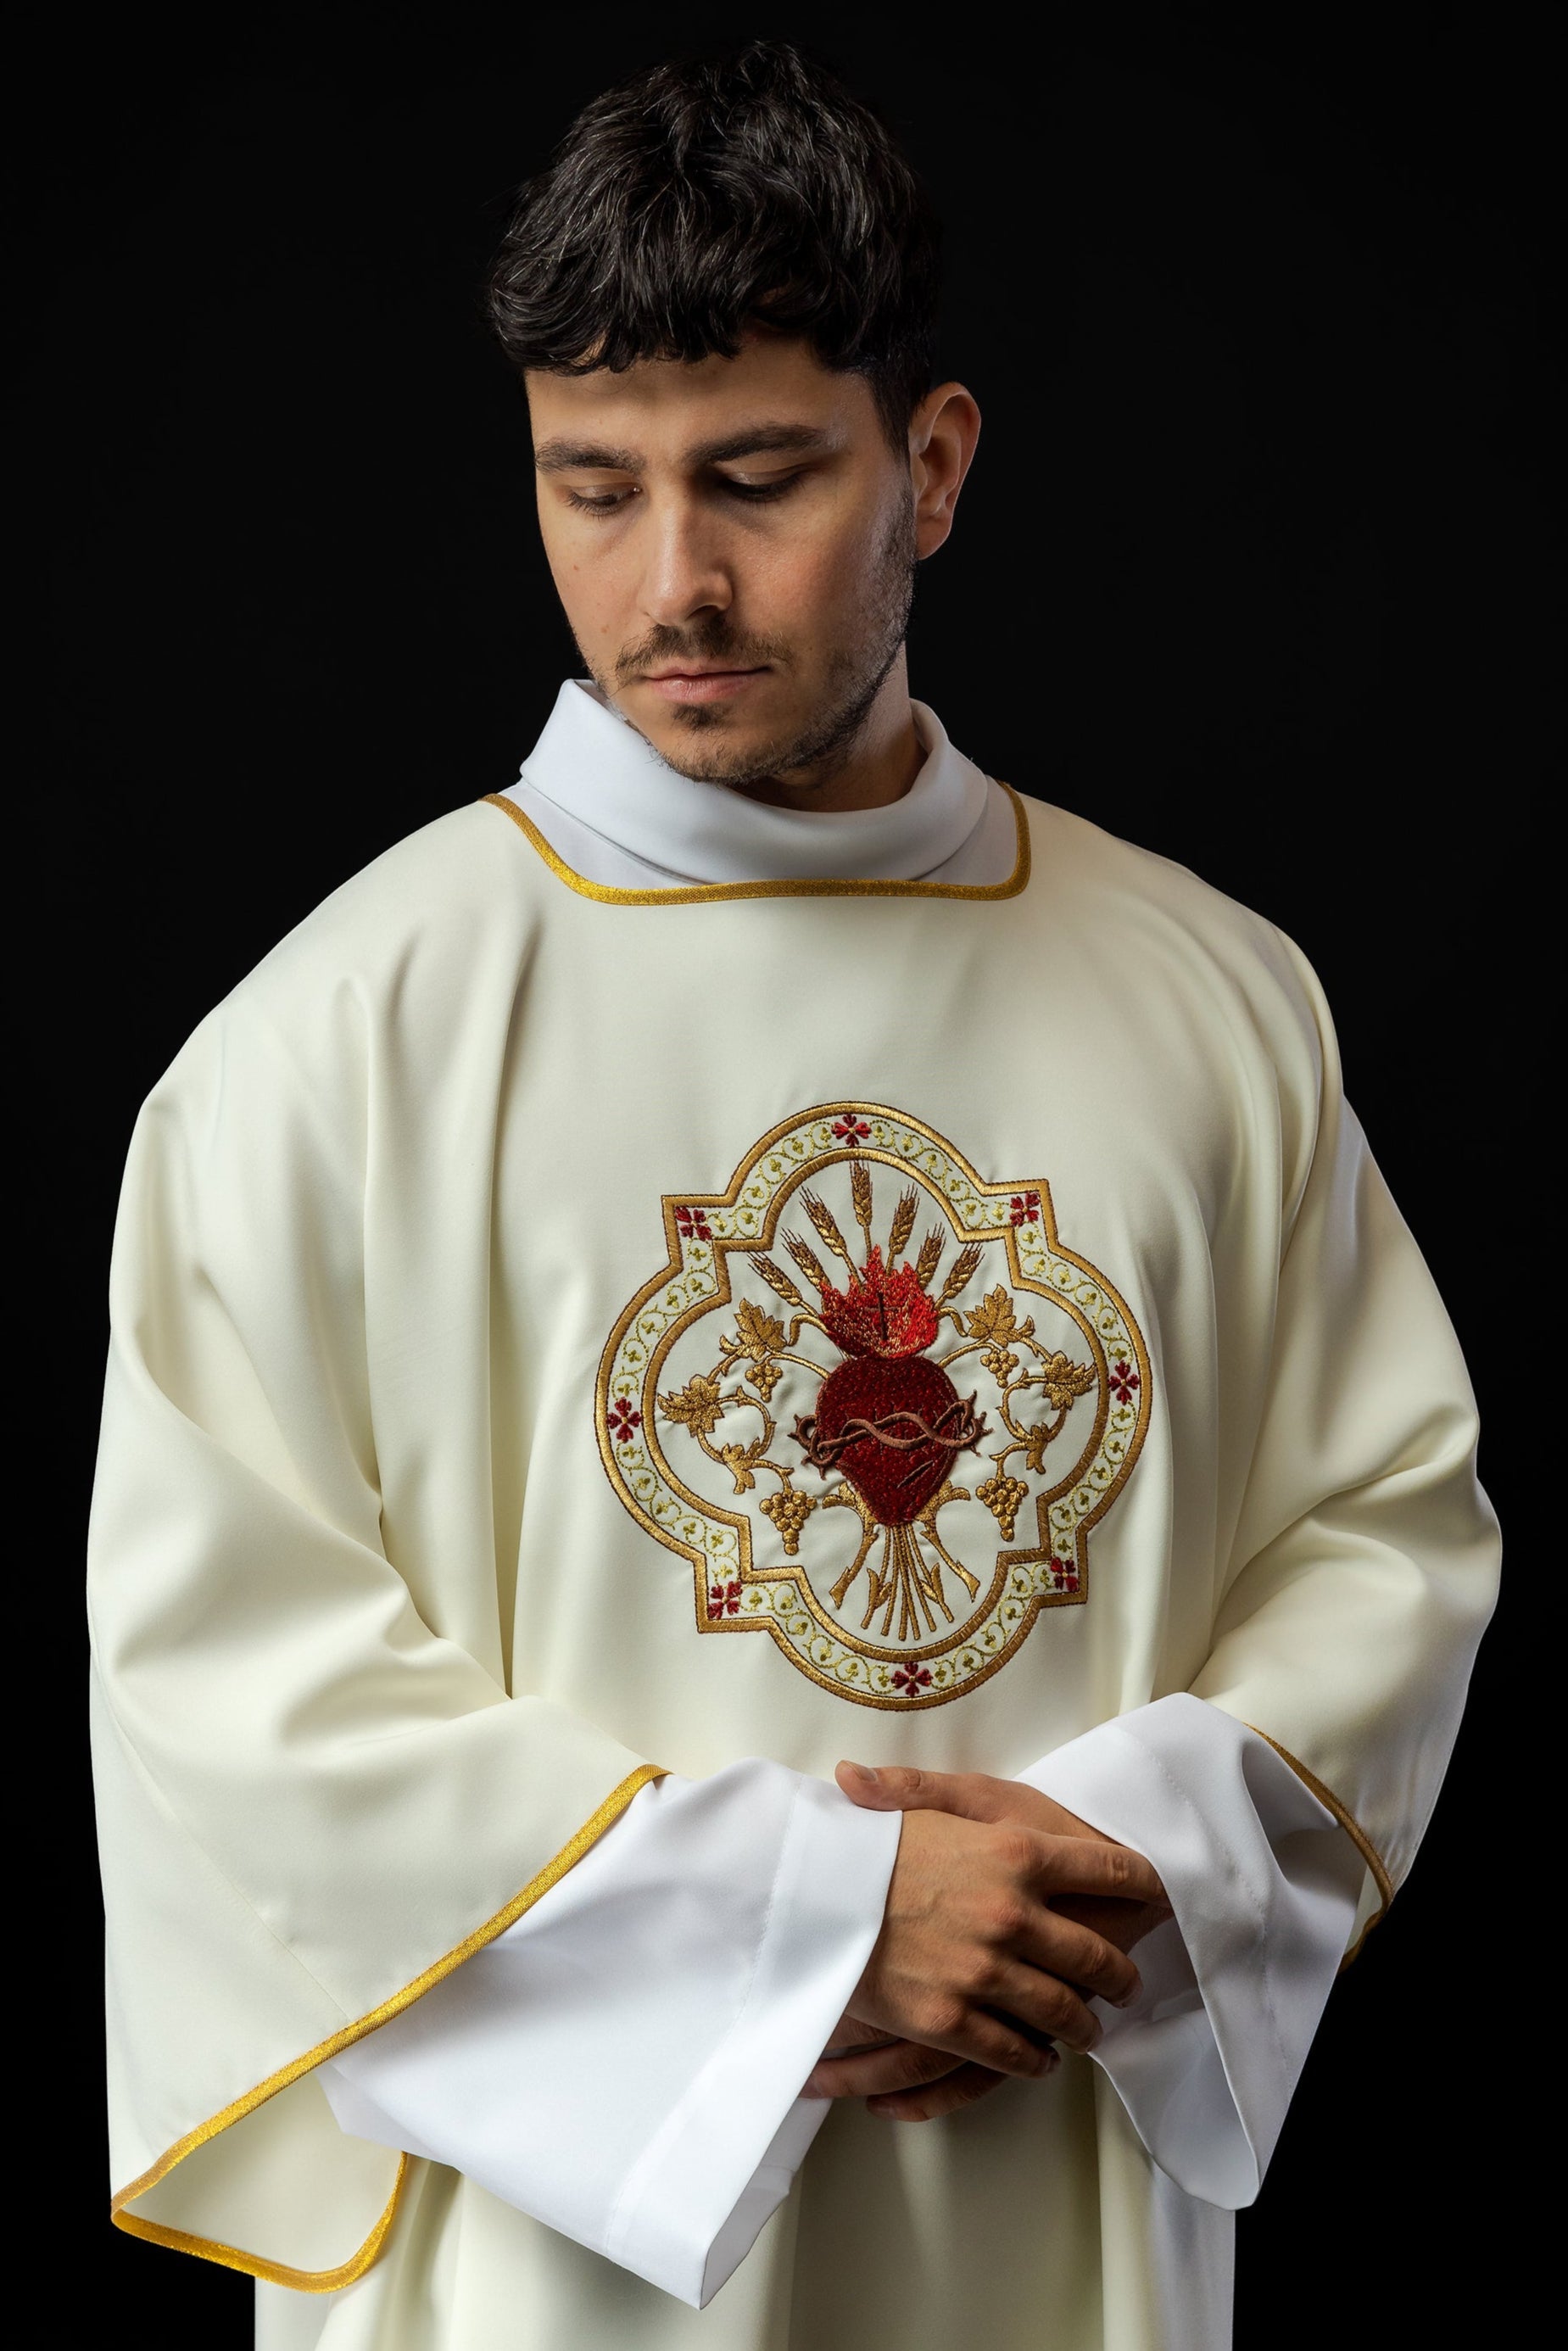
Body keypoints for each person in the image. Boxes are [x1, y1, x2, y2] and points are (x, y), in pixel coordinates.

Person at [89, 41, 1498, 2351]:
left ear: (928, 463)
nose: (674, 583)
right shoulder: (328, 1050)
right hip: (556, 2263)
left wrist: (1102, 1870)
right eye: (591, 487)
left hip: (1047, 2186)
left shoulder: (1214, 1004)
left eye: (759, 479)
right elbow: (231, 1688)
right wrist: (811, 1926)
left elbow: (1384, 1534)